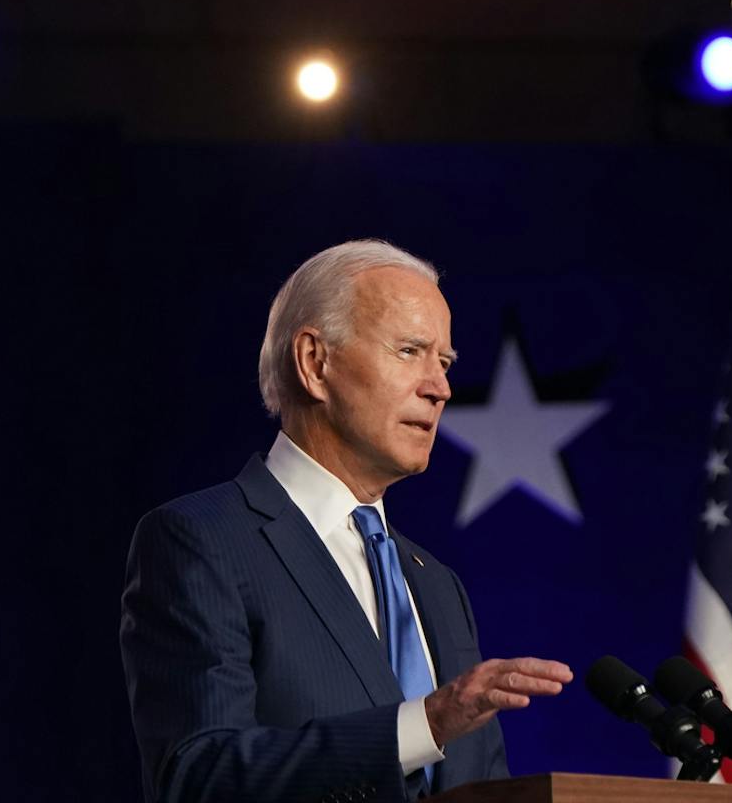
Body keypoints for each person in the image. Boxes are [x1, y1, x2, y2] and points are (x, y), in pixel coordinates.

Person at [120, 240, 572, 802]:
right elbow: (198, 778)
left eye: (445, 361)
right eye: (410, 351)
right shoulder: (201, 539)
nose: (441, 388)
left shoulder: (437, 584)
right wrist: (423, 725)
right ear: (315, 363)